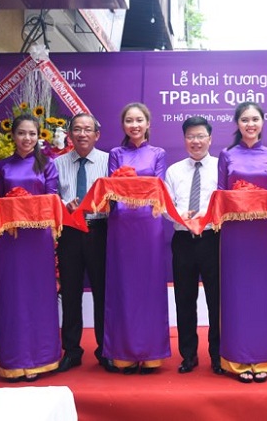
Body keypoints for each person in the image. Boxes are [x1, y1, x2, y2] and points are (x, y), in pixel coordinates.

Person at [217, 101, 267, 384]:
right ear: (237, 124)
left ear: (262, 122)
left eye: (255, 119)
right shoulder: (226, 154)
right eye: (245, 120)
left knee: (262, 294)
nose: (250, 124)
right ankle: (237, 359)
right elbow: (220, 194)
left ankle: (265, 357)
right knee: (237, 294)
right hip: (235, 234)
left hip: (262, 233)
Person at [0, 114, 61, 381]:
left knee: (39, 295)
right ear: (13, 135)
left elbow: (52, 199)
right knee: (13, 296)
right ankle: (14, 360)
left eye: (32, 134)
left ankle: (41, 359)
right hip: (11, 239)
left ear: (39, 136)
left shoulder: (47, 164)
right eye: (21, 133)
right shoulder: (2, 167)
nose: (27, 138)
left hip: (38, 239)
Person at [103, 102, 169, 375]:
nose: (134, 125)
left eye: (139, 120)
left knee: (149, 286)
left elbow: (159, 187)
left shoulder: (158, 153)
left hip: (149, 223)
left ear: (148, 124)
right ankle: (124, 354)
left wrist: (136, 193)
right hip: (122, 224)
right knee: (124, 286)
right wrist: (128, 193)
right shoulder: (116, 154)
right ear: (123, 125)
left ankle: (151, 353)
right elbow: (111, 189)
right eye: (129, 120)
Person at [54, 113, 117, 373]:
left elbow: (116, 195)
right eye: (77, 129)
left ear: (97, 134)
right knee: (70, 292)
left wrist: (102, 204)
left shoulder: (108, 160)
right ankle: (71, 351)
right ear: (70, 134)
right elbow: (50, 196)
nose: (82, 134)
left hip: (99, 230)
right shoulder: (57, 163)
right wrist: (63, 205)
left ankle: (105, 350)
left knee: (103, 292)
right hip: (69, 232)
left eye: (87, 129)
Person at [164, 116, 223, 375]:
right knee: (184, 299)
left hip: (212, 239)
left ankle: (218, 355)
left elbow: (226, 202)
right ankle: (188, 355)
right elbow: (165, 205)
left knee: (216, 300)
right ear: (184, 139)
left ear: (210, 139)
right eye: (191, 136)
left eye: (200, 136)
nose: (195, 141)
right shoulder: (174, 171)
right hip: (183, 241)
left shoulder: (221, 167)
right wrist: (181, 216)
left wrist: (206, 216)